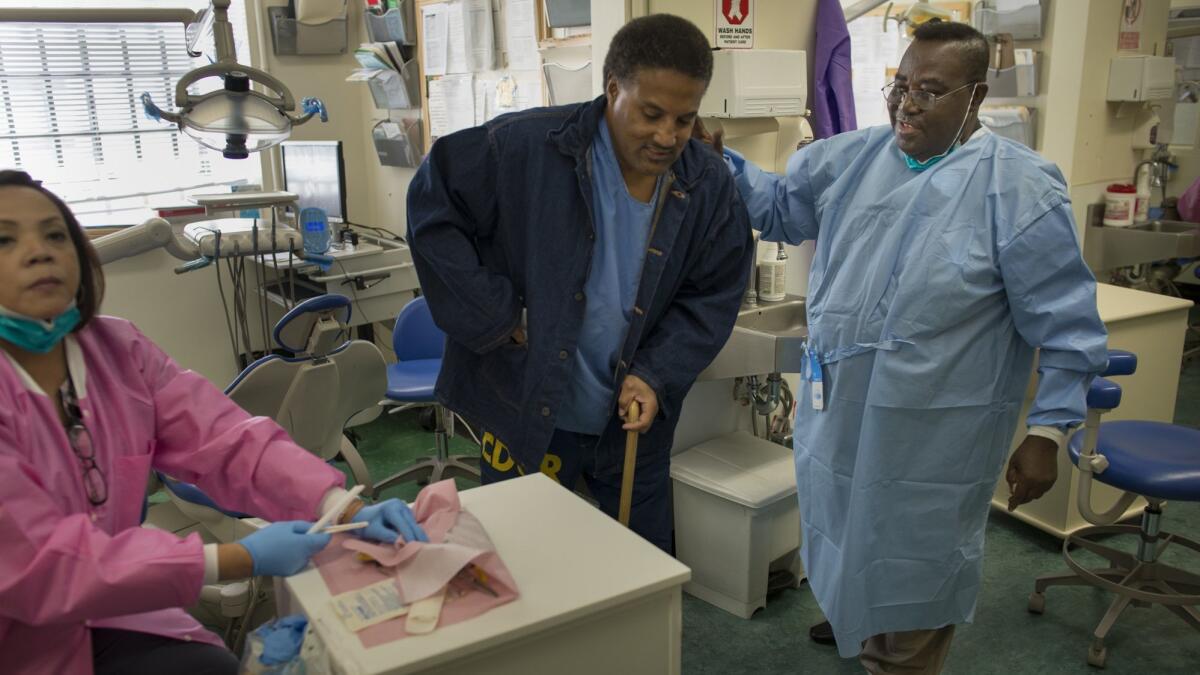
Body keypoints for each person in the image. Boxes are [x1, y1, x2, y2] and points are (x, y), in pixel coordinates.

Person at [698, 21, 1108, 672]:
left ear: (975, 97)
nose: (906, 102)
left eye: (932, 90)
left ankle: (894, 646)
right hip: (838, 420)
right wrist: (721, 160)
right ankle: (854, 615)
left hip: (933, 438)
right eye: (900, 84)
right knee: (838, 534)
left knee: (912, 569)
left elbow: (1066, 324)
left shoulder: (1019, 188)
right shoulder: (852, 158)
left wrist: (1049, 433)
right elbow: (780, 208)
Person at [0, 170, 428, 675]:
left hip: (116, 607)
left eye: (54, 234)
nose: (39, 251)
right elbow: (40, 566)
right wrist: (233, 560)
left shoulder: (116, 350)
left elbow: (222, 437)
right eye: (5, 239)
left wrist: (336, 503)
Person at [406, 14, 753, 551]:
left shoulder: (706, 185)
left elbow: (713, 294)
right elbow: (433, 207)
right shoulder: (525, 147)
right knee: (523, 561)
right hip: (525, 407)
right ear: (613, 89)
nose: (668, 137)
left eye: (684, 120)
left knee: (638, 571)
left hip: (631, 422)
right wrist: (496, 317)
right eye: (652, 114)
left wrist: (656, 373)